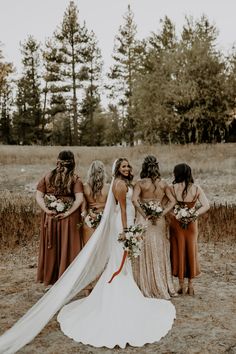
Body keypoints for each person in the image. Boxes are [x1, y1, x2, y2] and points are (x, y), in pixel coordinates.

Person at [0, 158, 175, 353]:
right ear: (117, 169)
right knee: (119, 262)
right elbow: (123, 210)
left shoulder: (126, 183)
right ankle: (117, 294)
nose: (127, 168)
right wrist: (127, 232)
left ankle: (123, 288)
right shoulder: (118, 184)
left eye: (128, 166)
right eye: (123, 166)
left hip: (129, 222)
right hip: (124, 225)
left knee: (123, 264)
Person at [36, 150, 84, 286]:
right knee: (67, 246)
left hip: (50, 217)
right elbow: (79, 200)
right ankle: (67, 278)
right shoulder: (75, 179)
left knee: (52, 246)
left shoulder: (47, 177)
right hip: (68, 218)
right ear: (73, 162)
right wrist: (68, 213)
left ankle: (51, 278)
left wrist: (46, 210)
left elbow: (38, 196)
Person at [132, 155, 177, 299]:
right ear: (157, 166)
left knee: (144, 247)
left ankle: (145, 284)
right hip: (159, 220)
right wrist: (161, 213)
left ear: (144, 167)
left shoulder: (140, 183)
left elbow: (134, 200)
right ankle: (162, 284)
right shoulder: (163, 184)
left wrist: (144, 214)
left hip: (144, 219)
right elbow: (173, 201)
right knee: (159, 248)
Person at [169, 163, 210, 295]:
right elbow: (206, 205)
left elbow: (167, 206)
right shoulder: (196, 188)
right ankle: (191, 286)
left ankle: (181, 285)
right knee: (191, 250)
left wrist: (176, 215)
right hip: (191, 223)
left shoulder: (172, 188)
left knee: (178, 250)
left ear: (177, 174)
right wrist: (193, 214)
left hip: (176, 223)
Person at [81, 160, 110, 245]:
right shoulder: (108, 187)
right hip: (104, 219)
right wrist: (102, 204)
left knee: (87, 249)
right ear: (103, 172)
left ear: (90, 172)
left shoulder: (85, 187)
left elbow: (83, 207)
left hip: (89, 219)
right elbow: (113, 205)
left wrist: (86, 215)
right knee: (102, 248)